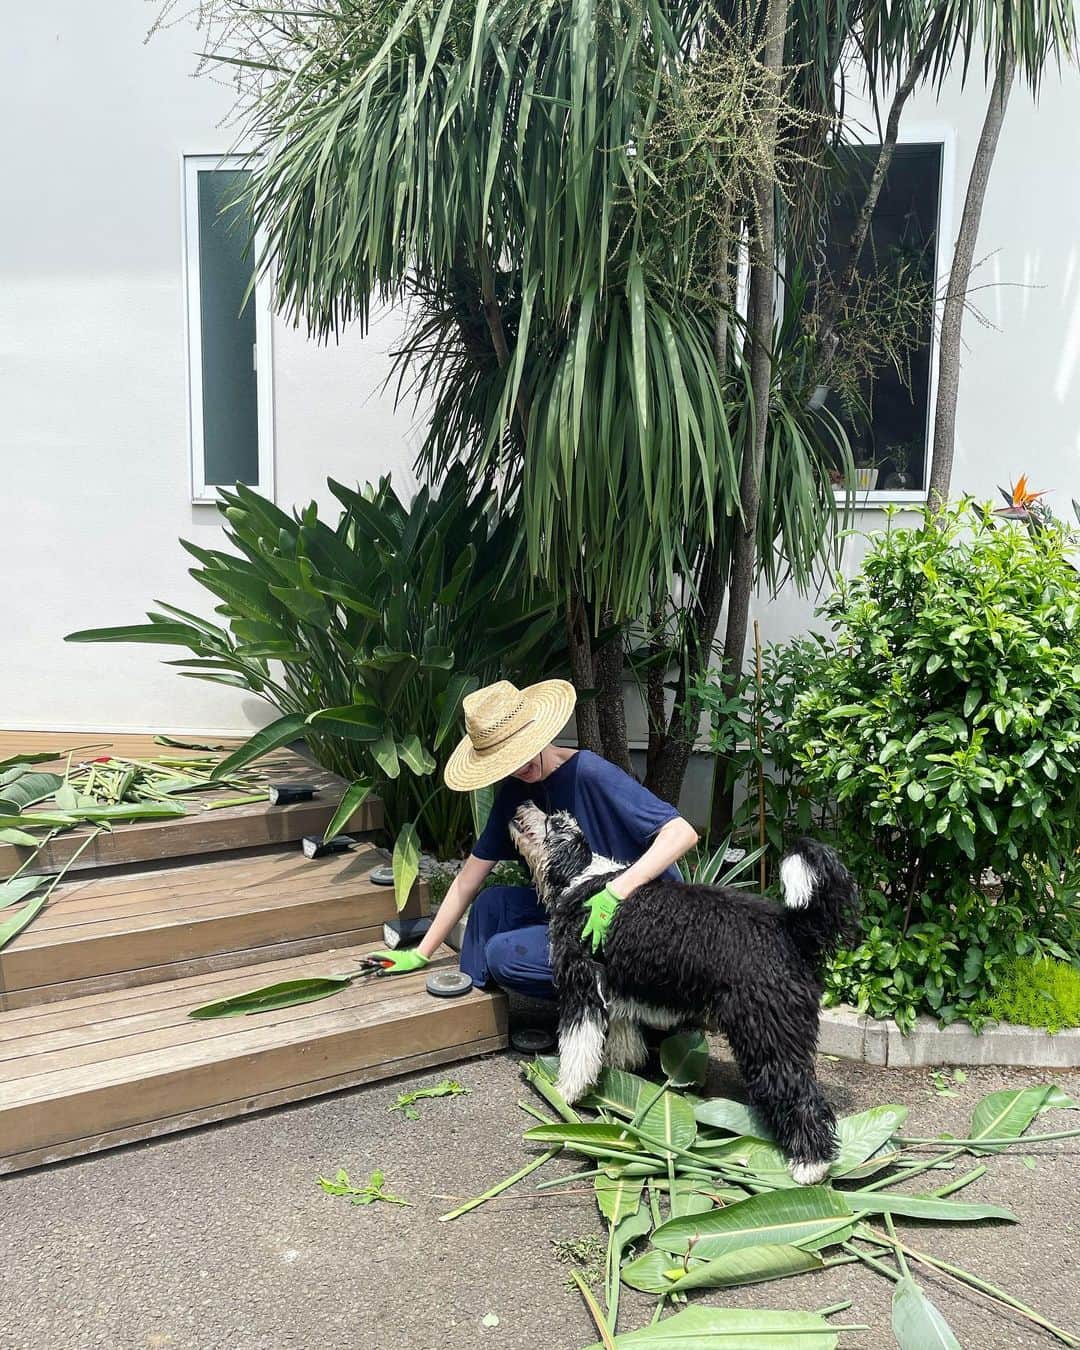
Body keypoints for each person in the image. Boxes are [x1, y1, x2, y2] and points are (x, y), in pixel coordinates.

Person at [369, 678, 699, 998]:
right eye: (506, 761)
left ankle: (619, 1006)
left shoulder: (589, 773)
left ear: (537, 734)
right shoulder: (514, 792)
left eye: (520, 752)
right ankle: (470, 1004)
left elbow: (682, 833)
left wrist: (616, 892)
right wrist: (421, 953)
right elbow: (468, 879)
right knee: (490, 905)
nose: (519, 766)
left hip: (637, 920)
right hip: (576, 909)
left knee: (503, 955)